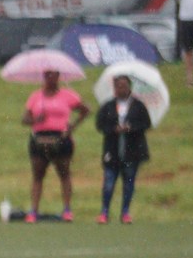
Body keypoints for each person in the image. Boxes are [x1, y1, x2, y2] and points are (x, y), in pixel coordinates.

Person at [21, 64, 87, 222]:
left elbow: (85, 110)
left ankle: (67, 209)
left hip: (61, 137)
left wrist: (72, 126)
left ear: (58, 76)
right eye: (47, 75)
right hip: (39, 137)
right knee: (38, 174)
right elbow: (24, 119)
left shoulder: (67, 95)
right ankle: (34, 210)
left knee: (64, 173)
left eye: (53, 74)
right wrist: (36, 119)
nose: (50, 78)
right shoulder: (36, 96)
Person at [95, 73, 152, 224]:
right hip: (112, 149)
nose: (121, 89)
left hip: (132, 150)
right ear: (114, 88)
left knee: (129, 183)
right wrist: (113, 129)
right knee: (109, 182)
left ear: (129, 88)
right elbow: (100, 125)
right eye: (118, 86)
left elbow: (146, 124)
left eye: (124, 86)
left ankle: (125, 212)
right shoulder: (108, 106)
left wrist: (131, 128)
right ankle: (104, 212)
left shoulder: (138, 106)